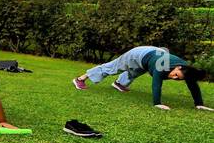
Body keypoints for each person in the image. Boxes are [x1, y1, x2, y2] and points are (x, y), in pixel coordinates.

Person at [73, 46, 209, 110]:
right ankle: (80, 79)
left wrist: (199, 104)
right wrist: (157, 103)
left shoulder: (187, 70)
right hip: (138, 53)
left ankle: (119, 84)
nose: (174, 78)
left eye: (178, 79)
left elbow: (193, 85)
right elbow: (156, 84)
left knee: (136, 71)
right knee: (113, 67)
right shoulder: (162, 66)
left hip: (152, 55)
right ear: (177, 68)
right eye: (175, 75)